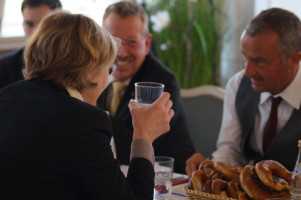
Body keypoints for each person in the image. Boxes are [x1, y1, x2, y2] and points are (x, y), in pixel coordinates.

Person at [0, 11, 174, 199]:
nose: (108, 79)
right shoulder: (82, 121)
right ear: (92, 72)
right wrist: (144, 136)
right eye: (109, 69)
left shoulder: (6, 96)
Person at [185, 7, 301, 176]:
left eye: (259, 61)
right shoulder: (239, 84)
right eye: (245, 57)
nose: (248, 72)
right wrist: (211, 166)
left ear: (293, 60)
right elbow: (230, 149)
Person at [97, 1, 195, 174]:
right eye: (114, 41)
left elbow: (134, 147)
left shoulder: (161, 83)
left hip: (169, 184)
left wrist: (90, 111)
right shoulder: (95, 73)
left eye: (131, 42)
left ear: (147, 43)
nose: (121, 52)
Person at [0, 0, 62, 89]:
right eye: (29, 24)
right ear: (23, 24)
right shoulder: (4, 67)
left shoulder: (76, 65)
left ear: (59, 24)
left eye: (43, 24)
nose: (35, 31)